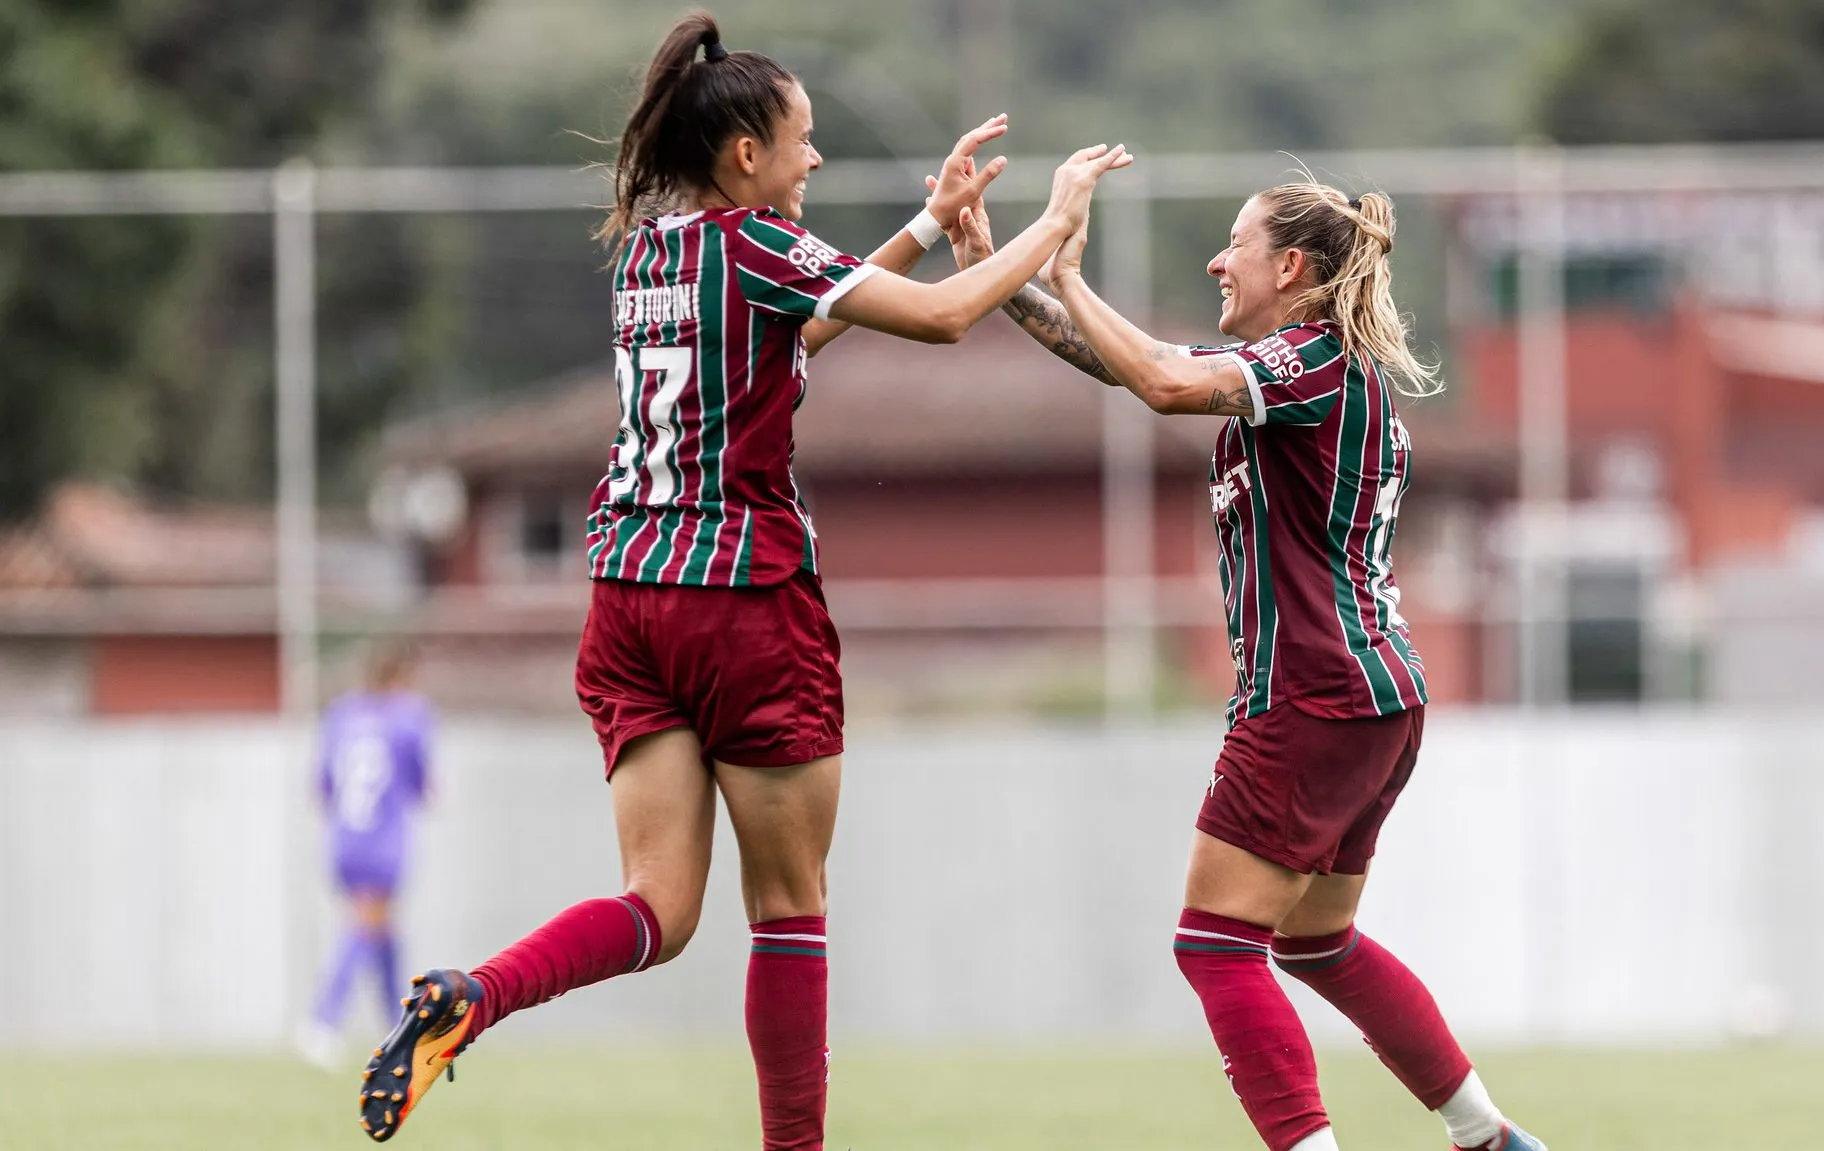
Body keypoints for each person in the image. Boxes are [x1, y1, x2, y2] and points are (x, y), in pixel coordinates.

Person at [354, 9, 1130, 1145]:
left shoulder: (648, 259)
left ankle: (475, 997)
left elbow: (794, 334)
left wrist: (925, 219)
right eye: (802, 139)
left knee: (657, 907)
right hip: (743, 600)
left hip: (625, 599)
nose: (815, 158)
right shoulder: (759, 246)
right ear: (744, 157)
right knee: (789, 906)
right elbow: (948, 318)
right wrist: (1052, 222)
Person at [944, 183, 1546, 1151]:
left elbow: (1161, 380)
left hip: (1313, 692)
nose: (1217, 263)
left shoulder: (1308, 364)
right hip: (1375, 696)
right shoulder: (1312, 373)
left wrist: (1060, 265)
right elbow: (1130, 366)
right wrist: (1012, 279)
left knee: (1215, 943)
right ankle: (1487, 1135)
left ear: (1290, 270)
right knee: (1315, 941)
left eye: (1235, 245)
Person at [300, 641, 434, 1069]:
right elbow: (424, 784)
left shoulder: (341, 714)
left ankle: (400, 1025)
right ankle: (322, 1022)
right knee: (364, 927)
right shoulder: (411, 716)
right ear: (402, 677)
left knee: (382, 931)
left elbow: (320, 787)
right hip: (383, 839)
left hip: (344, 839)